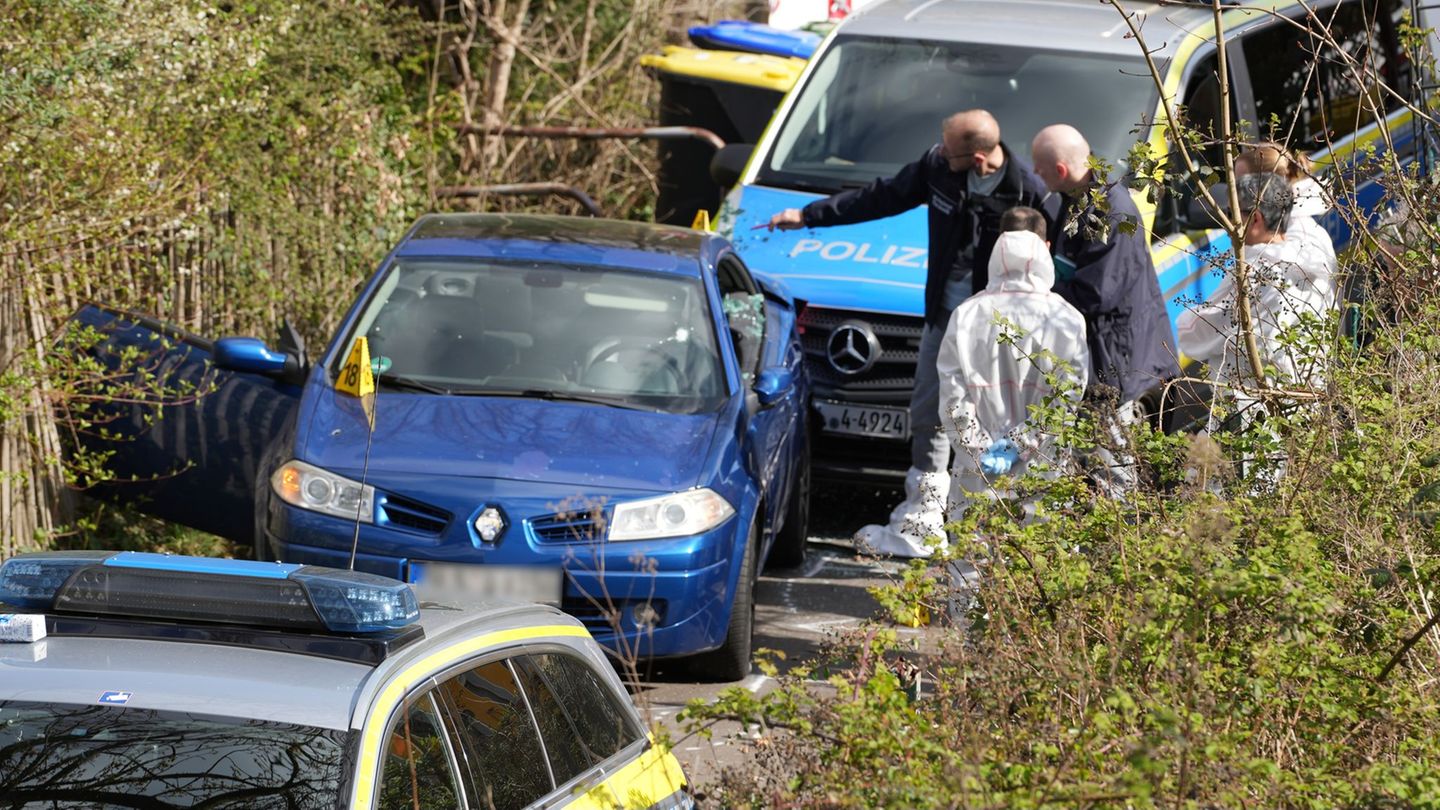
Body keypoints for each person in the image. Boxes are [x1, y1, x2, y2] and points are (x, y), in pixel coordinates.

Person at [768, 110, 1055, 558]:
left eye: (950, 150)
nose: (939, 154)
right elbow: (879, 197)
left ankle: (992, 534)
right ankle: (921, 521)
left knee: (994, 422)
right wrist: (808, 215)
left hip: (999, 333)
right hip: (944, 318)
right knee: (929, 413)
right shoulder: (938, 169)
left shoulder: (1028, 194)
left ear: (978, 158)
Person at [1030, 124, 1180, 492]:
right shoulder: (1072, 198)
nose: (1035, 175)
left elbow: (1097, 293)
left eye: (1040, 168)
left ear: (1062, 171)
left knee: (1110, 466)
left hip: (1116, 360)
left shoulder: (1112, 213)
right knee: (1090, 459)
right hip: (1099, 352)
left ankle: (1120, 540)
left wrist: (1038, 297)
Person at [937, 206, 1090, 522]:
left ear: (998, 248)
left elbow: (953, 400)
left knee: (972, 563)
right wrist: (1020, 443)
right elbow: (1066, 399)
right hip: (1043, 467)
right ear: (1046, 250)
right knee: (1040, 561)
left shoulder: (967, 315)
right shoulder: (1066, 319)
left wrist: (979, 451)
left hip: (976, 474)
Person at [1176, 172, 1336, 398]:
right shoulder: (1311, 255)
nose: (1227, 222)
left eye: (1231, 213)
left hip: (1255, 405)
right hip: (1308, 390)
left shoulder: (1253, 272)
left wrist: (1185, 321)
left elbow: (1198, 332)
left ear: (1256, 219)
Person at [1234, 142, 1337, 278]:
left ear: (1268, 184)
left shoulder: (1297, 236)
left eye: (1242, 181)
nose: (1235, 190)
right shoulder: (1291, 223)